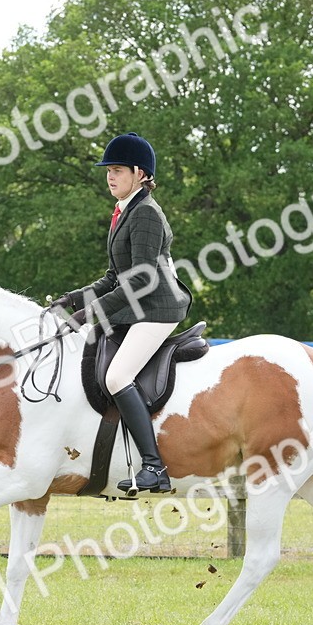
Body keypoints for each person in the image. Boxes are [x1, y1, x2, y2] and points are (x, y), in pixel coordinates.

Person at [50, 132, 192, 494]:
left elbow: (142, 279)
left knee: (117, 377)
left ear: (140, 173)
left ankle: (155, 467)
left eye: (116, 170)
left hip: (158, 308)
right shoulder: (124, 211)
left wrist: (92, 313)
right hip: (139, 307)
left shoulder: (145, 213)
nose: (110, 177)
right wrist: (76, 299)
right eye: (107, 170)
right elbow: (116, 276)